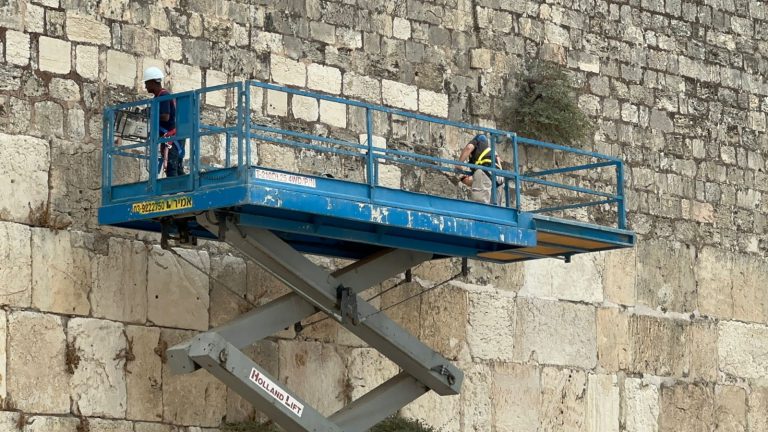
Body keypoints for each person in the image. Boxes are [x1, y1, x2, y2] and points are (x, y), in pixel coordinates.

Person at [143, 66, 184, 177]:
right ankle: (183, 190)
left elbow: (165, 116)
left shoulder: (163, 95)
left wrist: (150, 114)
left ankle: (176, 192)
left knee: (172, 168)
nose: (145, 86)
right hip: (173, 136)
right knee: (176, 167)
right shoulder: (159, 97)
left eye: (146, 83)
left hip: (171, 137)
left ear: (152, 82)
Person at [457, 134, 504, 204]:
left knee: (480, 206)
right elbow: (481, 181)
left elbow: (469, 148)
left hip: (485, 172)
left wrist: (459, 164)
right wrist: (465, 181)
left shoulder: (478, 141)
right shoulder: (492, 153)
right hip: (499, 179)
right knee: (493, 208)